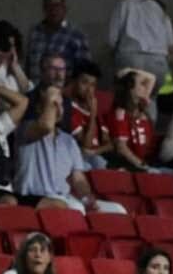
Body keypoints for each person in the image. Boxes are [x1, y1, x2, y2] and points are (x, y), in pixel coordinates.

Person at [15, 84, 125, 213]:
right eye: (53, 104)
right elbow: (46, 126)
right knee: (75, 210)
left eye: (60, 105)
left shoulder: (69, 141)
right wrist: (51, 95)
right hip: (33, 198)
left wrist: (86, 198)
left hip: (63, 198)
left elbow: (78, 178)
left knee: (117, 210)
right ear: (40, 108)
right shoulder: (26, 129)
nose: (59, 109)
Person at [109, 0, 173, 114]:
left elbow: (112, 38)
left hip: (131, 57)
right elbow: (170, 40)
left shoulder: (124, 4)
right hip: (158, 62)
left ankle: (127, 131)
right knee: (150, 99)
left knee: (128, 99)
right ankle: (148, 132)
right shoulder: (158, 6)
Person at [0, 231, 94, 274]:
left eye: (43, 250)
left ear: (49, 258)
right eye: (32, 250)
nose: (38, 255)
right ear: (23, 256)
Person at [25, 0, 91, 81]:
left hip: (62, 91)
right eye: (49, 6)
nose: (53, 10)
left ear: (64, 9)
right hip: (34, 90)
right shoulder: (35, 32)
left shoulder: (77, 35)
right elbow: (28, 64)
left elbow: (84, 70)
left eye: (57, 6)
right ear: (44, 9)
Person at [106, 69, 161, 172]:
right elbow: (122, 148)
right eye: (142, 84)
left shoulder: (143, 107)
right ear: (130, 88)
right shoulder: (120, 113)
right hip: (130, 166)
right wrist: (143, 166)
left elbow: (152, 78)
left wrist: (130, 70)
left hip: (148, 163)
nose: (146, 87)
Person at [63, 59, 112, 170]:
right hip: (77, 159)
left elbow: (110, 144)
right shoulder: (69, 110)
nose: (89, 89)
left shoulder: (94, 110)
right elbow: (86, 145)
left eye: (93, 85)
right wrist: (93, 114)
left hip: (96, 157)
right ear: (74, 82)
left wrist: (95, 151)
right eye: (84, 83)